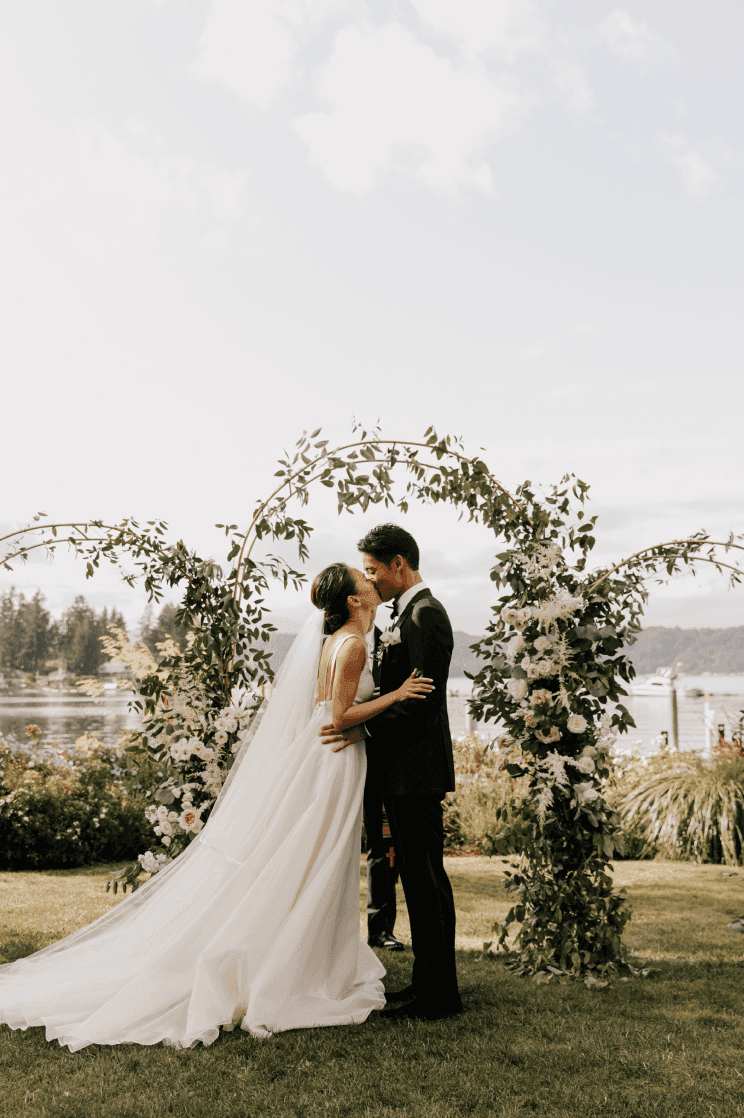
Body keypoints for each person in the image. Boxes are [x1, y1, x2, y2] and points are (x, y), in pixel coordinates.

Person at [0, 564, 434, 1050]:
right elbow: (338, 714)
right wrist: (397, 694)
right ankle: (300, 964)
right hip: (334, 758)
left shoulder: (337, 641)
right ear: (355, 601)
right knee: (318, 855)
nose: (372, 583)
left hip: (331, 753)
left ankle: (307, 953)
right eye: (364, 580)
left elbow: (326, 708)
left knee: (311, 854)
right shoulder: (352, 644)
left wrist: (363, 721)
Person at [322, 524, 462, 1021]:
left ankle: (438, 994)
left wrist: (364, 732)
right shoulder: (403, 615)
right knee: (419, 881)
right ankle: (427, 984)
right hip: (401, 771)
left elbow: (421, 702)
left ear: (399, 564)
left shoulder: (426, 617)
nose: (372, 579)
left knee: (426, 880)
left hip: (417, 771)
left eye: (375, 570)